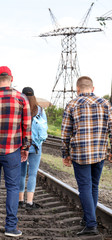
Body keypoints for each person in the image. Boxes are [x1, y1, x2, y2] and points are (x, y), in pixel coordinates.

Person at [0, 66, 31, 237]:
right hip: (13, 150)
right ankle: (10, 227)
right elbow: (27, 126)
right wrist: (25, 148)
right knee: (12, 187)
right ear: (11, 78)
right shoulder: (21, 99)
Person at [61, 76, 112, 236]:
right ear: (93, 88)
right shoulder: (105, 104)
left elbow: (65, 133)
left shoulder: (72, 104)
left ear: (77, 89)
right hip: (99, 153)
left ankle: (91, 224)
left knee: (84, 187)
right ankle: (87, 217)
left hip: (80, 154)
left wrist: (65, 154)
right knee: (94, 186)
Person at [19, 87, 47, 210]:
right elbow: (45, 128)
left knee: (21, 174)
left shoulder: (19, 109)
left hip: (21, 146)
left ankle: (20, 200)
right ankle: (29, 202)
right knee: (32, 174)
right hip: (36, 146)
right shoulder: (39, 110)